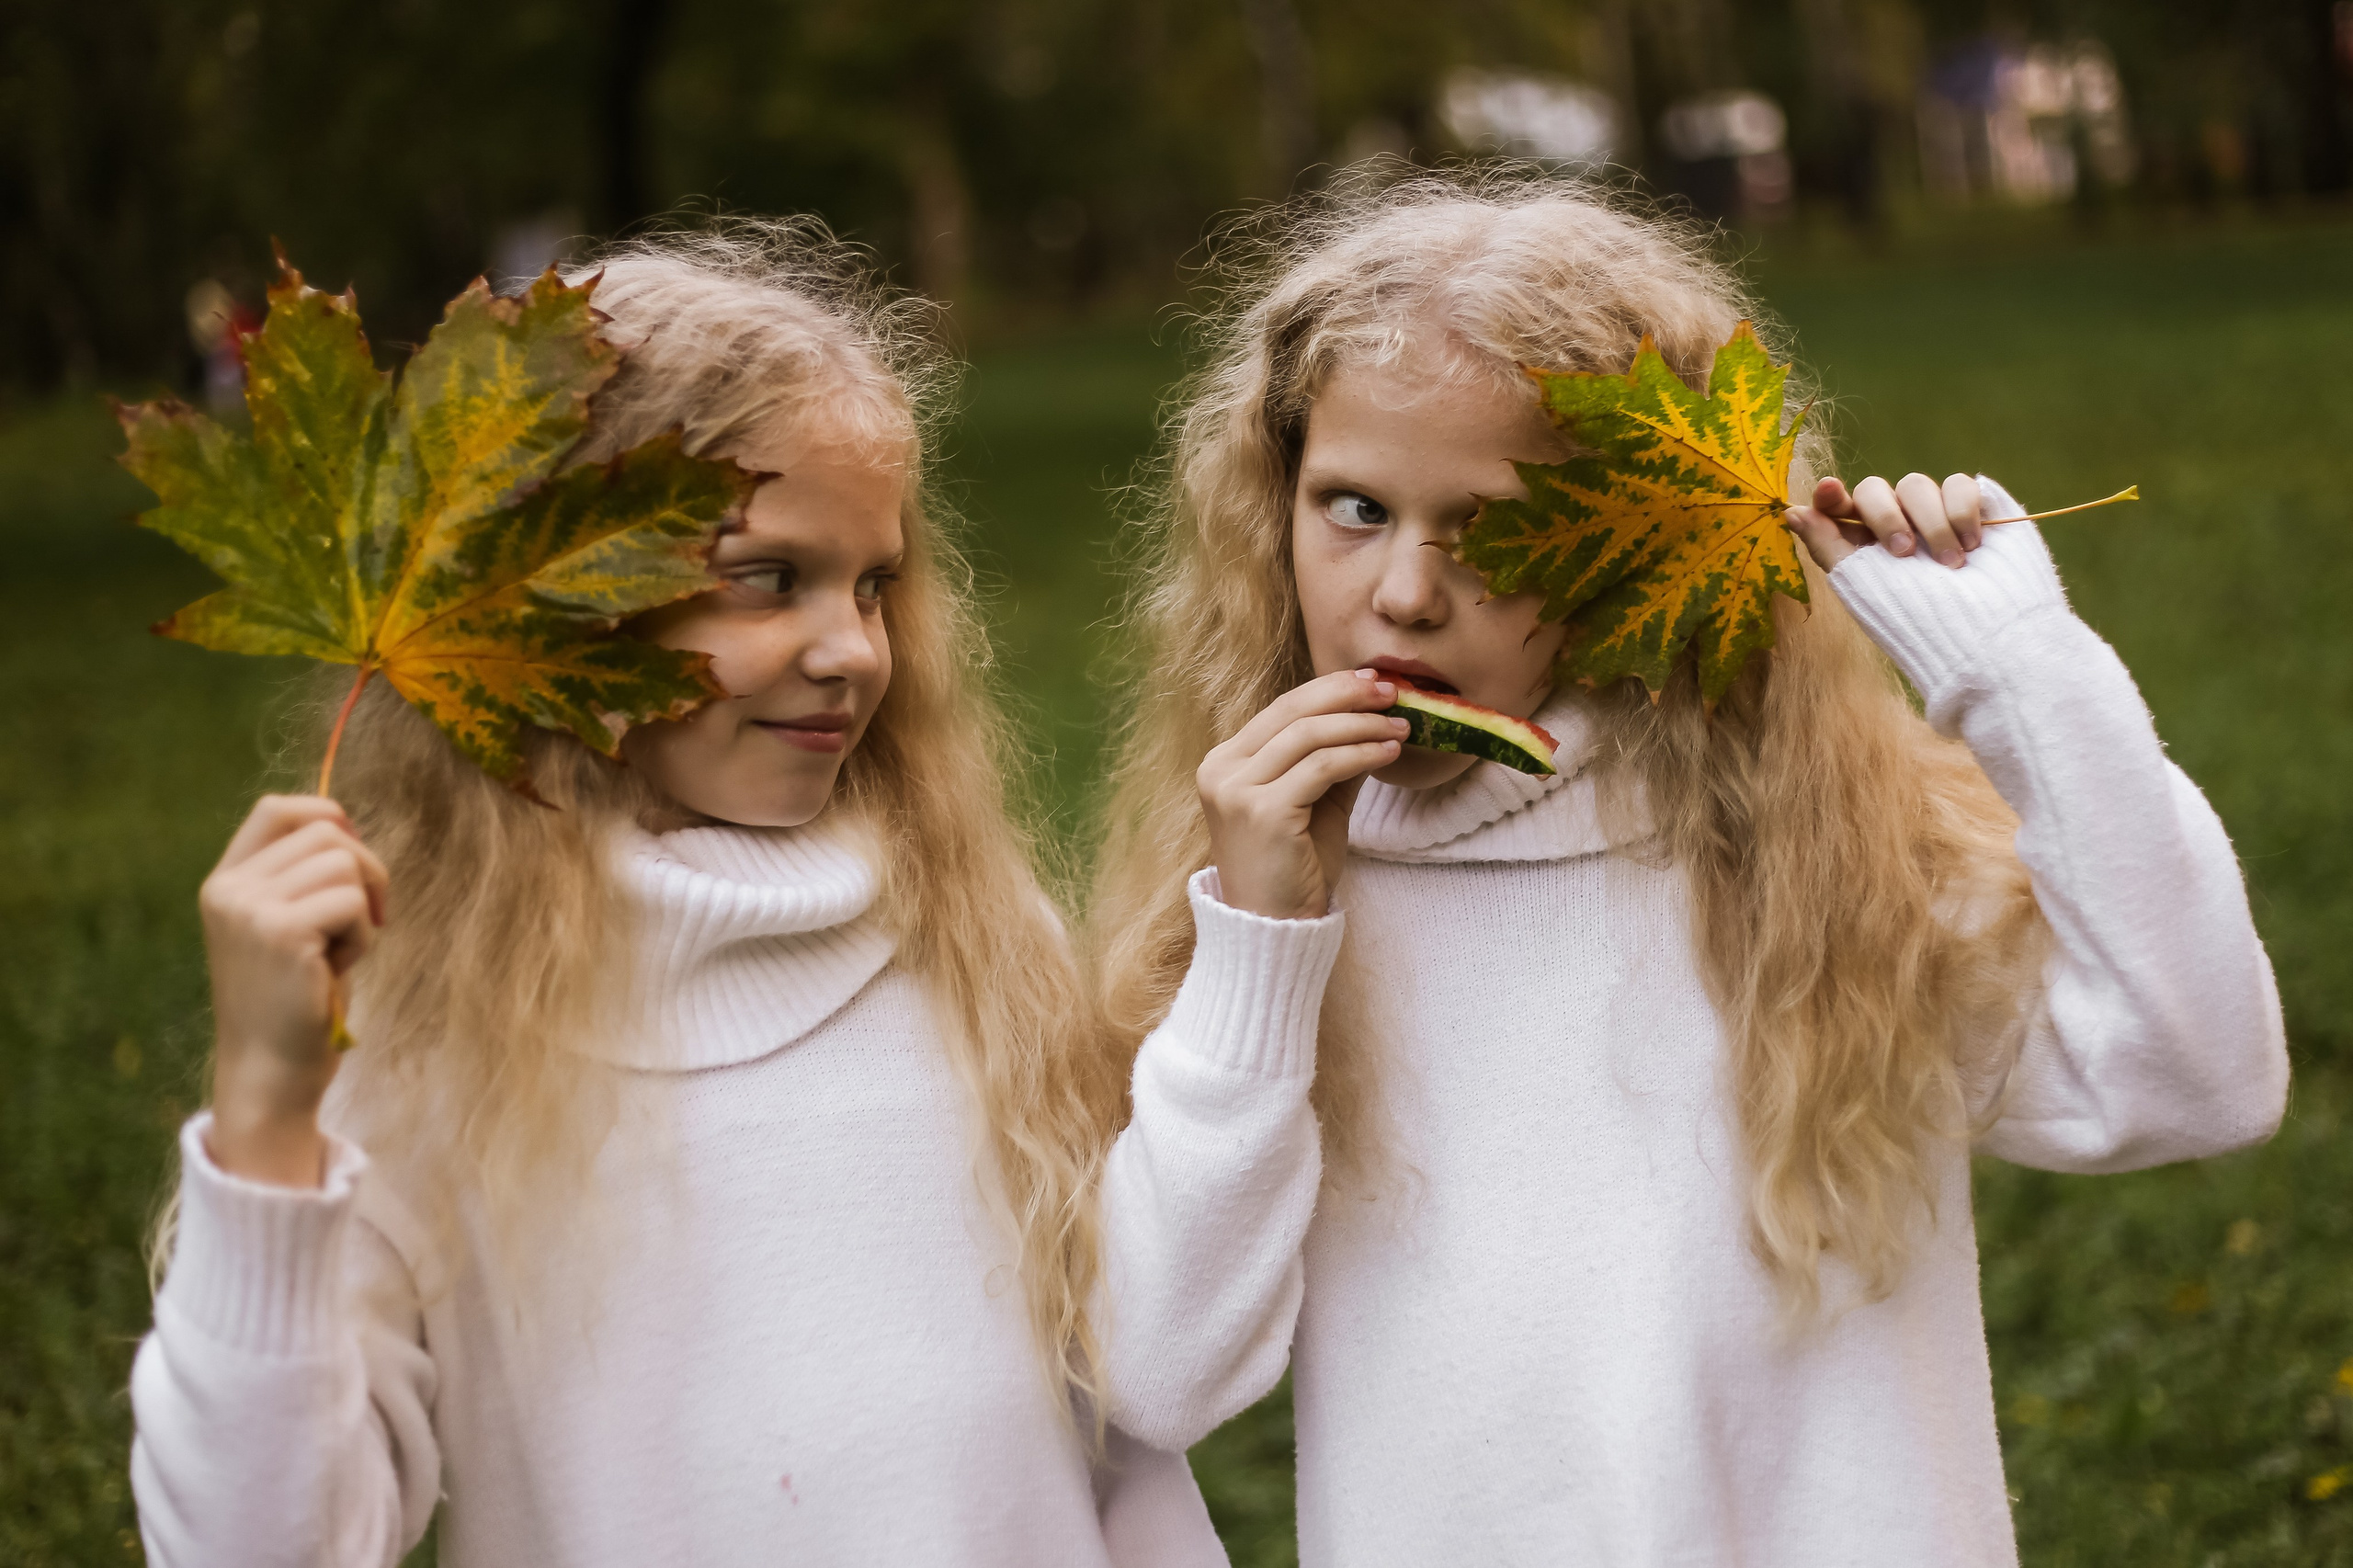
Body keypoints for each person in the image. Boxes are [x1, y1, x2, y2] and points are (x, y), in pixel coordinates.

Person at [1083, 171, 2288, 1565]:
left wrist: (2024, 677)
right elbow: (1161, 1370)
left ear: (1633, 546)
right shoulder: (1261, 896)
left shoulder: (1825, 847)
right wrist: (1258, 948)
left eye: (1486, 529)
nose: (1403, 593)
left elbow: (2205, 1078)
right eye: (1352, 508)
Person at [130, 220, 1337, 1567]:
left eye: (875, 583)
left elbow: (1165, 1373)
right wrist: (261, 1123)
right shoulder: (428, 1030)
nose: (851, 650)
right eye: (767, 578)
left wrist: (1259, 954)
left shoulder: (971, 938)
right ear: (554, 604)